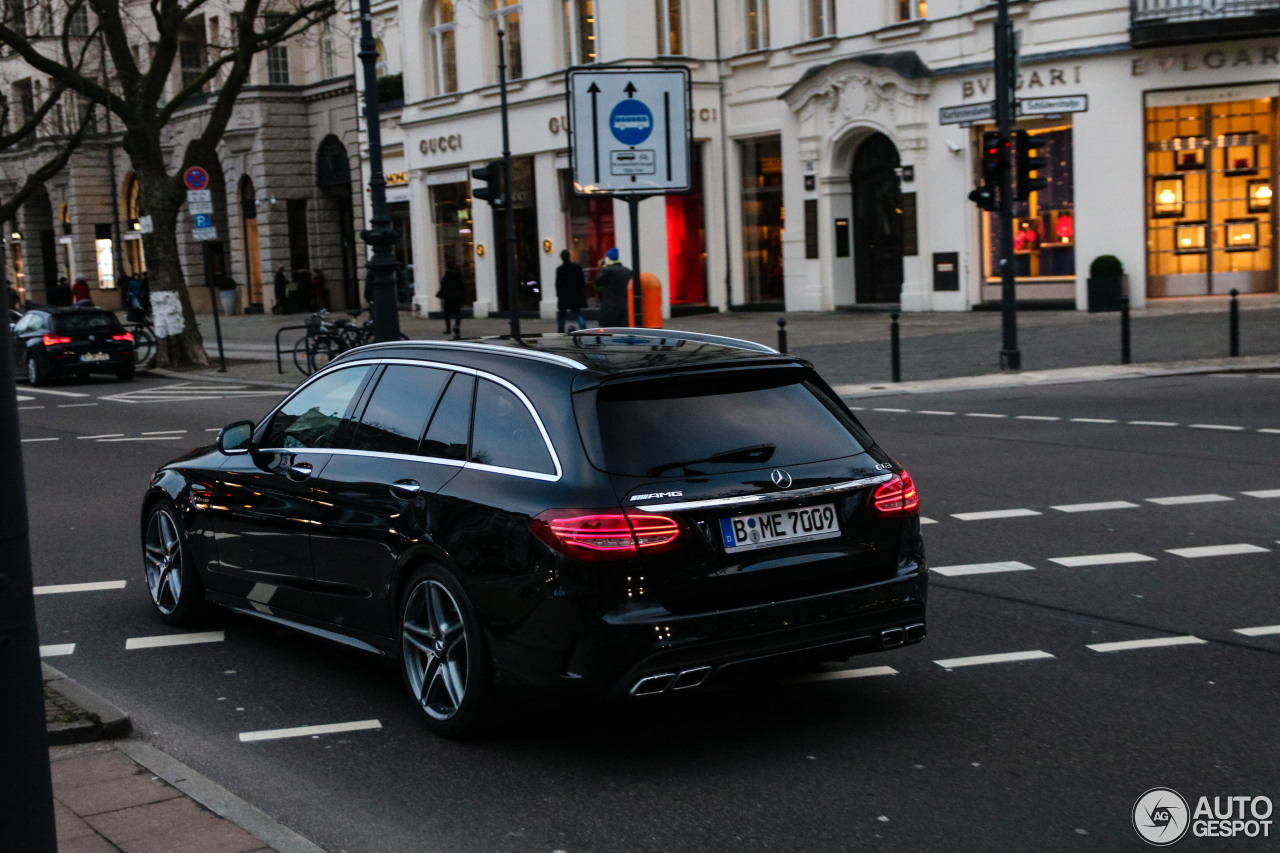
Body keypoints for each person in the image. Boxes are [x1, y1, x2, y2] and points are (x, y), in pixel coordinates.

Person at [594, 247, 632, 328]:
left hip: (610, 307)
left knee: (608, 331)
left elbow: (597, 281)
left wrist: (604, 268)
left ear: (608, 259)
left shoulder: (607, 271)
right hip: (625, 307)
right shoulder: (627, 271)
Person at [555, 249, 587, 332]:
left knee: (561, 315)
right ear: (569, 256)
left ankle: (560, 331)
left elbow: (558, 284)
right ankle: (584, 330)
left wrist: (558, 295)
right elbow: (582, 282)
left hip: (564, 296)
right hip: (575, 295)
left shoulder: (560, 269)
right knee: (578, 314)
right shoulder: (577, 267)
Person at [437, 261, 465, 339]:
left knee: (447, 313)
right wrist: (463, 294)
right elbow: (462, 285)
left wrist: (441, 293)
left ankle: (448, 328)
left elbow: (443, 286)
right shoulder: (459, 275)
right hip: (457, 296)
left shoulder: (447, 276)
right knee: (457, 313)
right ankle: (457, 326)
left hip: (448, 297)